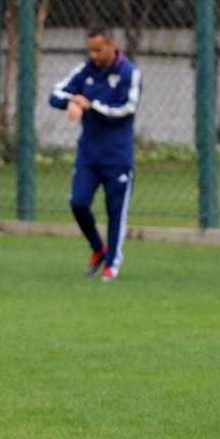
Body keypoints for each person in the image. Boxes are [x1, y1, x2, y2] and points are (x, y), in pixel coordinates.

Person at [49, 26, 143, 282]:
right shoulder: (85, 70)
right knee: (78, 202)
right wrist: (72, 102)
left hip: (118, 157)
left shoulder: (130, 73)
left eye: (98, 49)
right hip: (88, 155)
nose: (94, 54)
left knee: (115, 212)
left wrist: (90, 106)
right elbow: (55, 94)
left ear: (112, 45)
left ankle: (112, 263)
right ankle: (98, 248)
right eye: (90, 49)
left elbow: (126, 108)